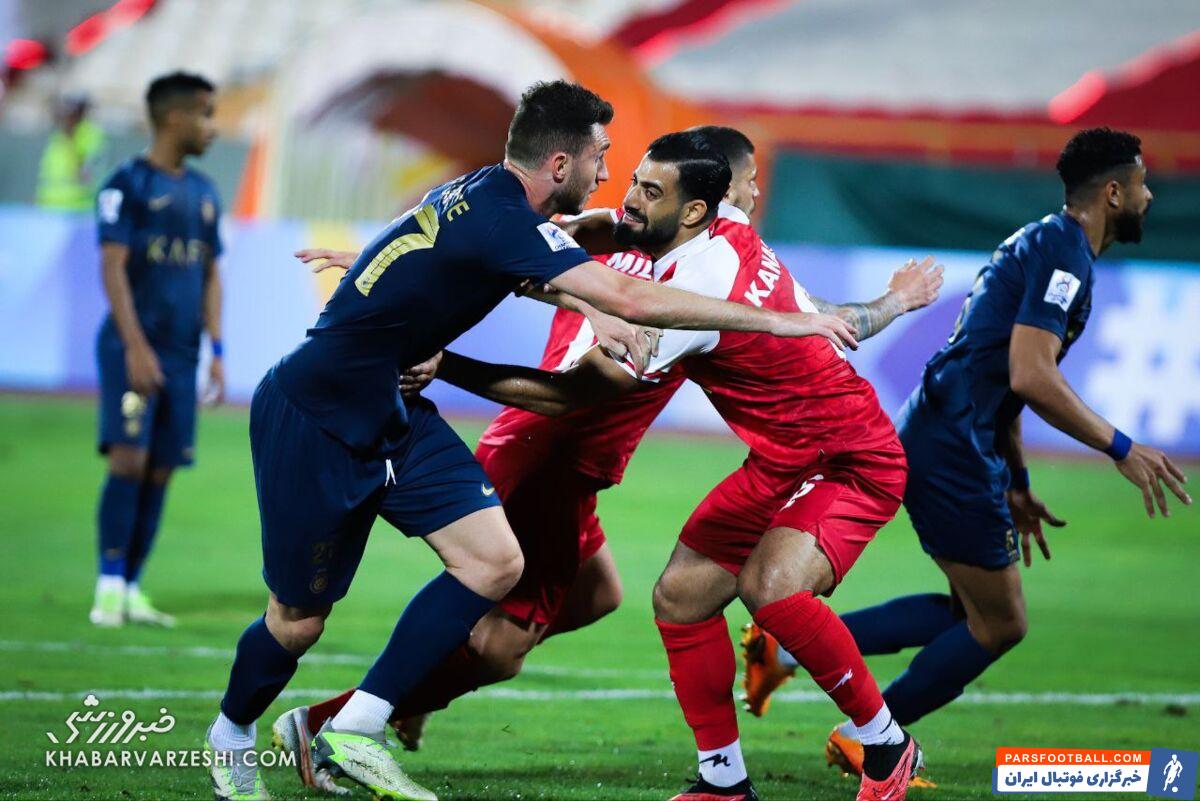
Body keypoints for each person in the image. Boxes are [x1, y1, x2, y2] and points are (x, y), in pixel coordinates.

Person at [204, 83, 857, 801]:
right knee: (298, 623)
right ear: (559, 163)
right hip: (317, 417)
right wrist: (780, 320)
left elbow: (539, 255)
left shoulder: (497, 199)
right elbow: (625, 295)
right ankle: (231, 734)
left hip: (397, 407)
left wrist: (583, 304)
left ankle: (357, 726)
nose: (606, 174)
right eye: (600, 157)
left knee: (494, 562)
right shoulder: (503, 216)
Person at [427, 131, 941, 801]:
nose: (631, 200)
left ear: (694, 209)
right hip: (781, 460)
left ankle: (888, 744)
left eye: (650, 191)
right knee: (681, 597)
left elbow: (568, 396)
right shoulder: (720, 225)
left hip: (851, 459)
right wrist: (569, 234)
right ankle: (723, 783)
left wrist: (447, 365)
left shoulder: (687, 302)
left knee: (772, 589)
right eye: (634, 183)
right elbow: (618, 227)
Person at [739, 127, 1192, 784]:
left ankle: (783, 649)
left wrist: (1017, 480)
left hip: (949, 431)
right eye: (1143, 184)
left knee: (967, 611)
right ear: (1115, 192)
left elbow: (1004, 380)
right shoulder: (1064, 258)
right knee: (1001, 622)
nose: (1150, 197)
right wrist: (1120, 446)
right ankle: (873, 737)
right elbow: (1032, 374)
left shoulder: (1047, 243)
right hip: (951, 441)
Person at [90, 72, 223, 629]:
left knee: (163, 468)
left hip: (183, 354)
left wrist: (217, 348)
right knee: (129, 458)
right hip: (132, 347)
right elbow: (112, 267)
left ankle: (133, 586)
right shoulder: (127, 185)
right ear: (174, 116)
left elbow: (211, 274)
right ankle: (107, 586)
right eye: (206, 114)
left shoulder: (205, 192)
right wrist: (135, 347)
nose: (213, 127)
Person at [36, 94, 106, 211]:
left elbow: (85, 176)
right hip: (49, 206)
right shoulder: (59, 135)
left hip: (76, 208)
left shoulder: (90, 135)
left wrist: (71, 140)